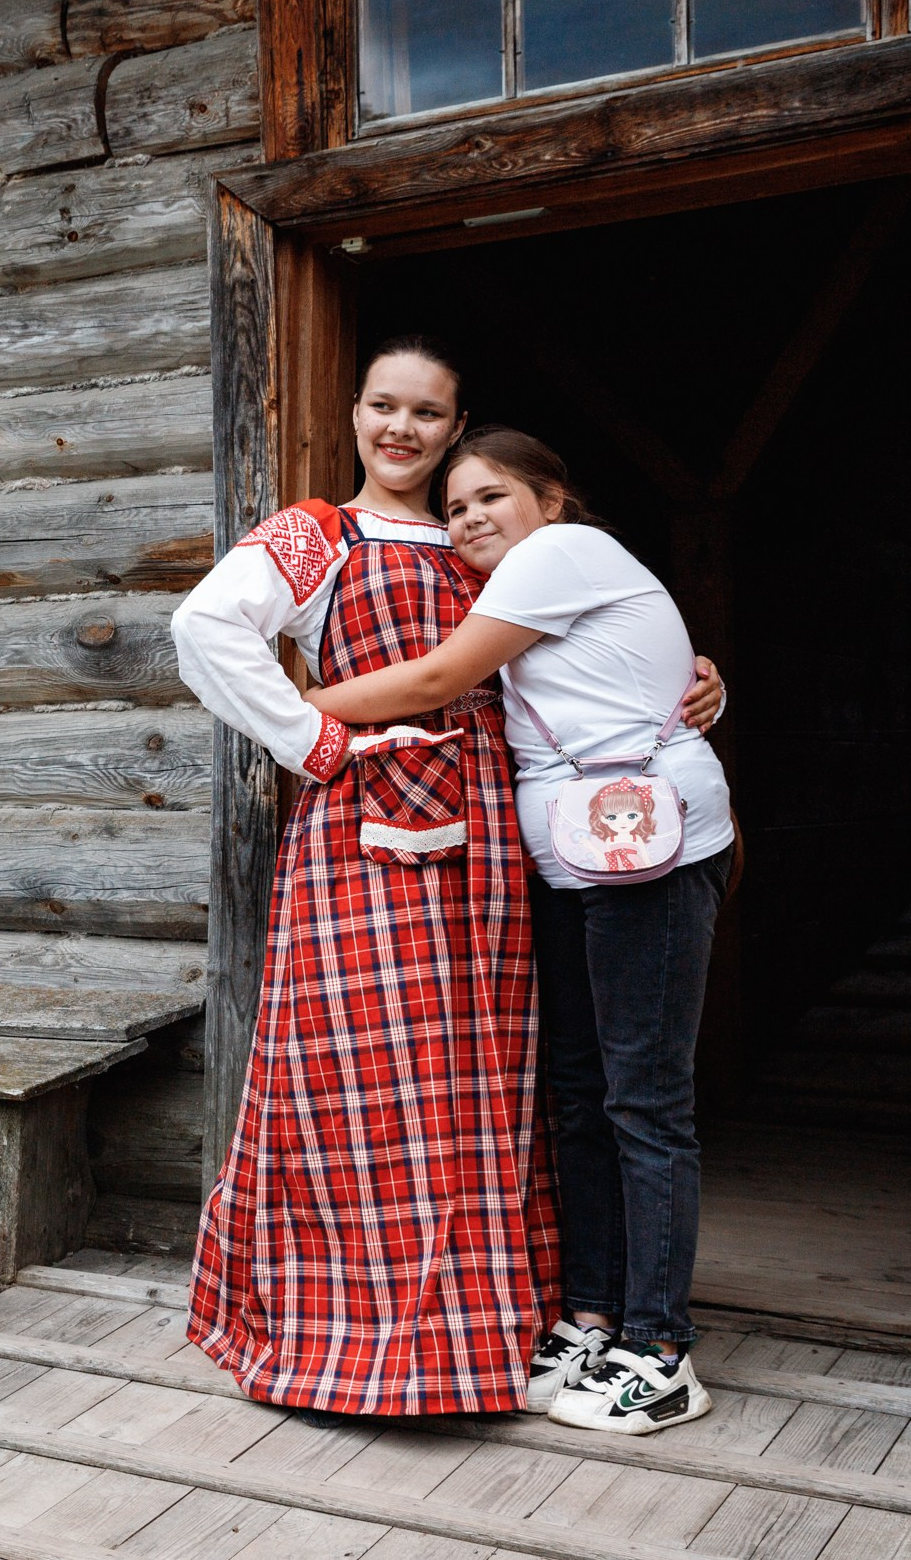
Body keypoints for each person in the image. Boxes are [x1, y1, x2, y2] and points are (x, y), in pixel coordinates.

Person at [302, 426, 736, 1435]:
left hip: (650, 857)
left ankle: (660, 1348)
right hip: (574, 861)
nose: (468, 519)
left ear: (552, 499)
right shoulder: (512, 588)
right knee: (581, 1093)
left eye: (491, 495)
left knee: (643, 1099)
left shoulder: (558, 555)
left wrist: (289, 709)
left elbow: (427, 682)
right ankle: (590, 1314)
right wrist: (699, 678)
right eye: (453, 508)